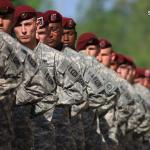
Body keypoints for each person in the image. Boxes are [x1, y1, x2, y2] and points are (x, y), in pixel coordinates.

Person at [13, 6, 85, 150]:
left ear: (36, 25)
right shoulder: (6, 56)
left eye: (27, 24)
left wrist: (48, 99)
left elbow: (78, 92)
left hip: (43, 137)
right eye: (19, 26)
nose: (24, 30)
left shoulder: (56, 58)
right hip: (12, 136)